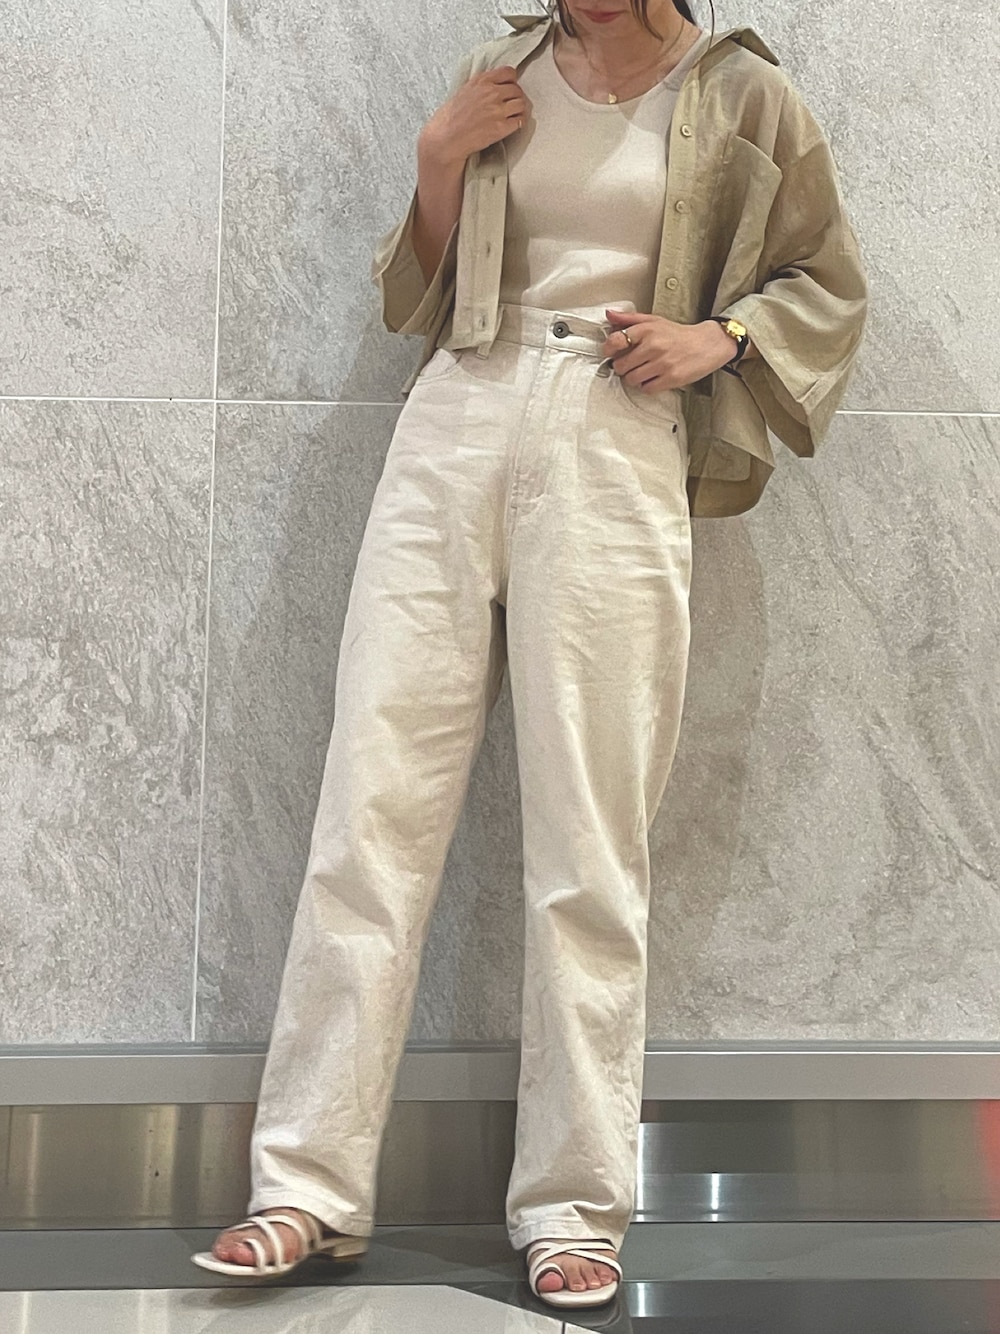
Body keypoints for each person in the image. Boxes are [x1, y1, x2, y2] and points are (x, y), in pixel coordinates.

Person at [191, 0, 868, 1312]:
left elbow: (825, 281)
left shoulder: (739, 94)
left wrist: (716, 339)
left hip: (615, 431)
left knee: (589, 843)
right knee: (370, 811)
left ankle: (573, 1206)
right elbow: (420, 295)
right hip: (458, 412)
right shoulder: (498, 72)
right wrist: (438, 160)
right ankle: (305, 1188)